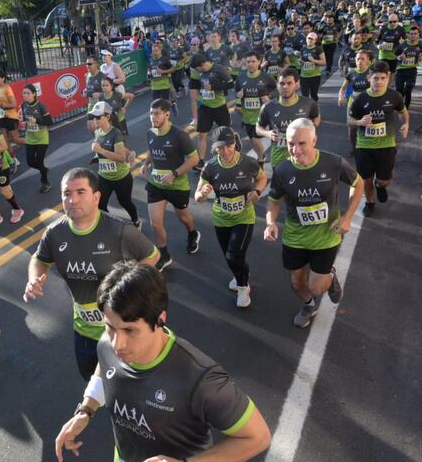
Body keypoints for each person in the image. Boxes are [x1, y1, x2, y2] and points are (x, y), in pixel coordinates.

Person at [54, 261, 272, 462]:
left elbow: (258, 437)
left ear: (160, 319)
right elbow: (104, 367)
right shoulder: (106, 345)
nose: (118, 344)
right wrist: (86, 410)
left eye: (130, 330)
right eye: (110, 327)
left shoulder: (200, 378)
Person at [23, 168, 159, 381]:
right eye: (67, 194)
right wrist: (34, 279)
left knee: (130, 384)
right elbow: (40, 259)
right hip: (85, 331)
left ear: (96, 197)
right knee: (91, 378)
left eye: (80, 192)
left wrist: (132, 288)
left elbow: (152, 255)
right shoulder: (54, 233)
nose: (72, 200)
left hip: (122, 331)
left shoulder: (119, 230)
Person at [264, 118, 363, 328]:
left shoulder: (333, 163)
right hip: (295, 236)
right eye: (291, 143)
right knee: (296, 283)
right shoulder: (282, 171)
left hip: (326, 236)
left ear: (314, 140)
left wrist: (347, 217)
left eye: (302, 143)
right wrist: (270, 222)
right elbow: (273, 201)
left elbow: (358, 184)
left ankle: (329, 275)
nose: (295, 149)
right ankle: (309, 305)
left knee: (317, 287)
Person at [195, 127, 266, 308]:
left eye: (229, 146)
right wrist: (202, 194)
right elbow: (197, 196)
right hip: (221, 217)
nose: (225, 151)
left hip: (244, 216)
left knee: (234, 254)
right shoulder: (210, 167)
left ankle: (243, 287)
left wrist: (257, 191)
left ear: (235, 143)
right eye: (220, 147)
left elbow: (262, 178)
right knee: (230, 257)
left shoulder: (248, 163)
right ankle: (242, 273)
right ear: (215, 147)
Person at [142, 99, 201, 271]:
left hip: (177, 185)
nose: (153, 117)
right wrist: (145, 165)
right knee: (155, 222)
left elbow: (194, 159)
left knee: (183, 217)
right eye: (151, 113)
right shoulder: (150, 132)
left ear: (167, 114)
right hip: (156, 185)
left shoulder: (179, 135)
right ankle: (164, 255)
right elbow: (152, 151)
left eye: (157, 113)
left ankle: (192, 233)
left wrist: (174, 174)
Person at [348, 61, 409, 217]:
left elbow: (403, 111)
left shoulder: (393, 96)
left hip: (386, 145)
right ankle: (370, 202)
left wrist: (406, 124)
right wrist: (360, 122)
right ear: (369, 78)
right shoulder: (360, 99)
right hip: (364, 146)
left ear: (388, 78)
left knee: (384, 179)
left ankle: (380, 186)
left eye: (383, 78)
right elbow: (349, 121)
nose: (379, 81)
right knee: (365, 179)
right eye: (376, 78)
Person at [256, 68, 321, 169]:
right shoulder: (268, 107)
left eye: (289, 83)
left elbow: (316, 117)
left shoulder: (308, 103)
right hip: (279, 159)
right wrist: (267, 133)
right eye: (282, 83)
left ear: (297, 84)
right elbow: (258, 128)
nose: (285, 87)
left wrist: (311, 129)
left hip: (303, 156)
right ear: (277, 85)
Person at [87, 102, 140, 227]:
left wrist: (100, 151)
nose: (95, 120)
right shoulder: (97, 132)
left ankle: (136, 221)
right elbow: (119, 149)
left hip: (121, 178)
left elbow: (121, 157)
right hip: (104, 177)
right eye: (94, 117)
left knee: (125, 202)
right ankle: (108, 226)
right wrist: (130, 152)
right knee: (100, 204)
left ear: (108, 117)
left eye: (98, 117)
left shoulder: (115, 133)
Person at [190, 53, 234, 171]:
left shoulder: (219, 69)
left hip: (219, 106)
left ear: (202, 64)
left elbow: (231, 84)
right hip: (205, 106)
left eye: (198, 69)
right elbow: (200, 86)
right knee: (202, 134)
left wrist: (213, 87)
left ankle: (232, 155)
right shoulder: (200, 73)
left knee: (226, 133)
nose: (198, 71)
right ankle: (201, 161)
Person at [235, 51, 277, 162]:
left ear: (259, 62)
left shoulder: (266, 77)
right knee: (252, 140)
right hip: (247, 116)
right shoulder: (241, 77)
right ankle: (261, 155)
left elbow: (277, 89)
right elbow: (237, 91)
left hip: (262, 115)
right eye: (248, 61)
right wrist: (238, 95)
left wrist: (270, 96)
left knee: (255, 138)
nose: (250, 64)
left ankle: (261, 159)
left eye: (253, 61)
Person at [21, 84, 54, 193]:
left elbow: (49, 122)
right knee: (30, 162)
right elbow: (26, 120)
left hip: (42, 138)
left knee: (39, 161)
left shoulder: (41, 106)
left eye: (28, 93)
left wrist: (37, 121)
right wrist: (24, 123)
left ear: (34, 94)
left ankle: (45, 183)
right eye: (24, 93)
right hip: (30, 137)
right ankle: (44, 169)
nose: (25, 95)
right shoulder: (23, 105)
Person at [338, 50, 373, 153]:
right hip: (353, 104)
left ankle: (369, 148)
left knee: (368, 127)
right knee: (352, 128)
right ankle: (355, 149)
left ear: (367, 61)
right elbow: (343, 88)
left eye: (363, 59)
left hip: (368, 104)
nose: (360, 61)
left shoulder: (371, 73)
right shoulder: (351, 73)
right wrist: (341, 97)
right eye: (358, 59)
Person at [0, 70, 23, 161]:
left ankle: (34, 142)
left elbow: (13, 104)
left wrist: (1, 105)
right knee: (5, 141)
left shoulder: (7, 88)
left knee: (16, 140)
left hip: (11, 117)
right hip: (2, 117)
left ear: (3, 78)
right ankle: (13, 159)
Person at [394, 26, 422, 108]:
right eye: (411, 34)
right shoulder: (403, 45)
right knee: (399, 90)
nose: (413, 35)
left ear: (418, 35)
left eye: (415, 34)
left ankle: (406, 107)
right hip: (401, 70)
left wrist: (421, 57)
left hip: (412, 70)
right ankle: (400, 104)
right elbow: (396, 56)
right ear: (408, 35)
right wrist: (400, 57)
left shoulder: (420, 45)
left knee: (408, 89)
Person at [299, 33, 326, 102]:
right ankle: (306, 111)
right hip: (304, 76)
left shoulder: (318, 49)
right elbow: (301, 63)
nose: (309, 40)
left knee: (313, 95)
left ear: (315, 40)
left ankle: (315, 111)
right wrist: (300, 63)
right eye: (308, 38)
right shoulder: (303, 49)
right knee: (304, 96)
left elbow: (324, 62)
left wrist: (313, 60)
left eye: (311, 39)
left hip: (314, 76)